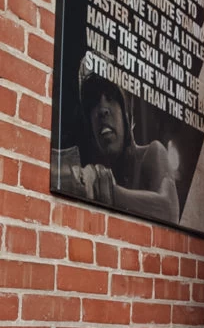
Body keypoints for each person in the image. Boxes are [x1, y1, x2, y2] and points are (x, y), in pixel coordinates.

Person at [60, 57, 180, 224]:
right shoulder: (87, 171)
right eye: (93, 102)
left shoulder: (152, 153)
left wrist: (106, 190)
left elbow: (169, 210)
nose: (102, 110)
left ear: (127, 111)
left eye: (111, 97)